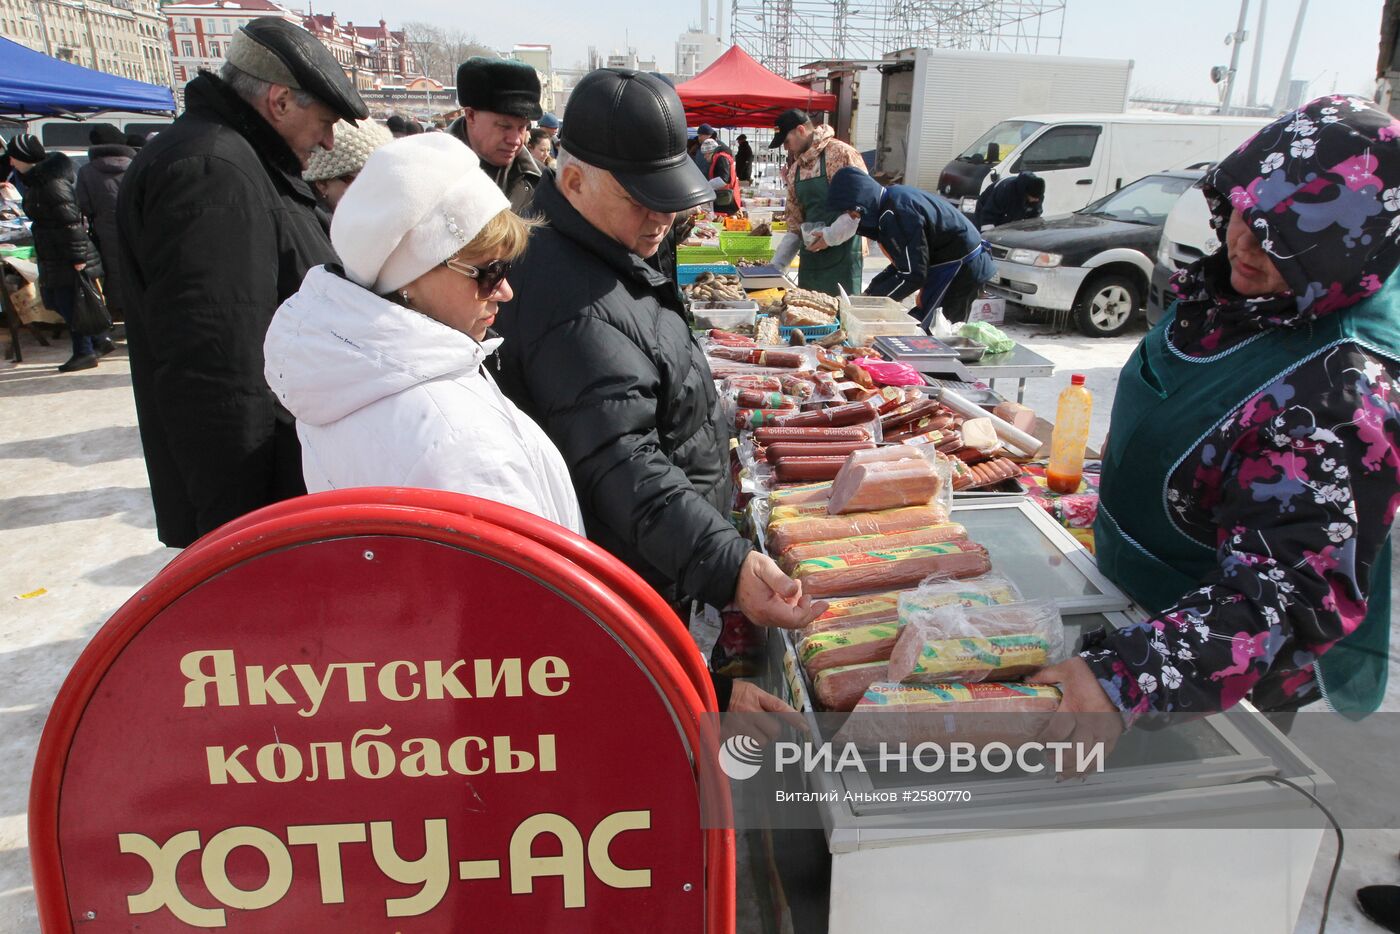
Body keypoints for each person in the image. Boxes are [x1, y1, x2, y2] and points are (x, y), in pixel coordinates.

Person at [1024, 97, 1400, 771]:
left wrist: (1127, 681)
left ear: (1350, 249)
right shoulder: (1237, 295)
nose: (1245, 246)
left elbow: (1286, 598)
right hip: (1119, 602)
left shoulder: (1344, 395)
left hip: (1203, 678)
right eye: (1247, 216)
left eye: (1290, 242)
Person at [493, 68, 825, 714]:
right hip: (619, 588)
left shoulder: (595, 250)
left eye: (669, 197)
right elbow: (621, 461)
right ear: (573, 180)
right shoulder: (570, 299)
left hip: (646, 575)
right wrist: (728, 562)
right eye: (641, 198)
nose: (662, 217)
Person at [115, 16, 368, 548]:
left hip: (276, 480)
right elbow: (219, 372)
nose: (327, 142)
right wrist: (239, 539)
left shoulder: (235, 161)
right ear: (279, 103)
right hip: (260, 499)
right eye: (323, 122)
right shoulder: (214, 172)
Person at [264, 135, 582, 533]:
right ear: (410, 277)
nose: (505, 291)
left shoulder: (338, 371)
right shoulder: (461, 442)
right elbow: (516, 585)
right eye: (489, 273)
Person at [824, 166, 994, 324]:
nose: (851, 216)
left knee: (936, 330)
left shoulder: (897, 213)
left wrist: (872, 305)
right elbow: (903, 263)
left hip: (961, 268)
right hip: (947, 264)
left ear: (859, 201)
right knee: (924, 323)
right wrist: (871, 292)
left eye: (848, 209)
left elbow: (913, 275)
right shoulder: (889, 202)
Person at [6, 134, 110, 372]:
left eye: (13, 157)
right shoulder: (37, 181)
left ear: (24, 157)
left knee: (72, 303)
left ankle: (85, 351)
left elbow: (70, 223)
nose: (11, 163)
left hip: (66, 255)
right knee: (62, 302)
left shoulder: (51, 183)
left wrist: (78, 258)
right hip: (56, 253)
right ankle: (97, 341)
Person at [770, 109, 867, 297]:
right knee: (810, 312)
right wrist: (777, 266)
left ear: (800, 130)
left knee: (842, 315)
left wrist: (830, 236)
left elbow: (861, 205)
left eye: (786, 141)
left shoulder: (841, 154)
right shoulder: (796, 169)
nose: (786, 148)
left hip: (844, 254)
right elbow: (795, 223)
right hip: (812, 256)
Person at [449, 57, 543, 211]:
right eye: (504, 126)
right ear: (471, 115)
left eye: (522, 128)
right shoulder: (428, 174)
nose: (515, 140)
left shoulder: (540, 181)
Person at [75, 125, 136, 321]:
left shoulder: (87, 171)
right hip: (138, 224)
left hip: (105, 227)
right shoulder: (136, 164)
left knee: (113, 268)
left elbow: (84, 205)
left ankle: (118, 310)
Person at [303, 118, 391, 213]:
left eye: (381, 177)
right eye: (360, 179)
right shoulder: (304, 223)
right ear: (322, 185)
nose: (375, 189)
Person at [973, 171, 1044, 229]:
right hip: (986, 206)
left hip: (1010, 212)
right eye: (1034, 197)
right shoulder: (1005, 190)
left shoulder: (1037, 193)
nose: (1037, 200)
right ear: (1026, 193)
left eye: (1038, 198)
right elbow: (988, 215)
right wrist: (988, 236)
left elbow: (1034, 216)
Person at [699, 136, 741, 214]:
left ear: (711, 152)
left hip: (726, 201)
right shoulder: (720, 157)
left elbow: (724, 179)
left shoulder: (721, 158)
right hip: (725, 199)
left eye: (706, 154)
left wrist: (707, 186)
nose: (704, 157)